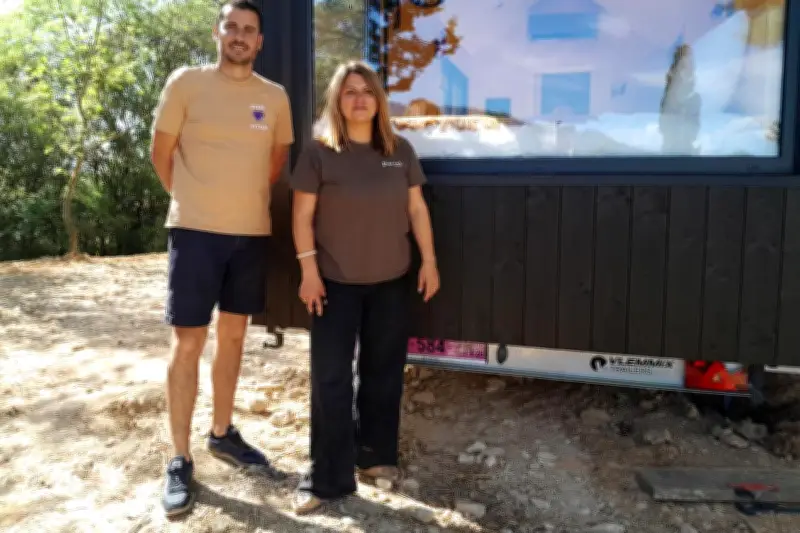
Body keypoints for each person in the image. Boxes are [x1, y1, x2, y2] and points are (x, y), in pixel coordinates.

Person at [149, 0, 294, 517]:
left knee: (233, 336)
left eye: (248, 30)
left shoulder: (275, 97)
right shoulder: (186, 83)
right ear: (217, 32)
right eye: (231, 26)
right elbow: (160, 153)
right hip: (194, 233)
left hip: (250, 234)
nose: (239, 35)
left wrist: (237, 203)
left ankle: (221, 432)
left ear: (259, 42)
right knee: (188, 342)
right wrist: (194, 201)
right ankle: (179, 458)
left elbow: (273, 164)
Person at [289, 60, 440, 514]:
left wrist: (429, 261)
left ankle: (374, 455)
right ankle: (327, 478)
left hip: (391, 280)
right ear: (337, 100)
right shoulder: (318, 153)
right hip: (333, 283)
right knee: (331, 378)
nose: (359, 99)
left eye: (367, 91)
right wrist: (308, 271)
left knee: (383, 371)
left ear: (379, 100)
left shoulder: (399, 150)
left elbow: (417, 209)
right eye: (350, 91)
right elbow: (301, 216)